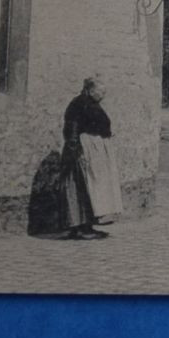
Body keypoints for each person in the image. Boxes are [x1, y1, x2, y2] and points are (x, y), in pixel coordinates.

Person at [60, 76, 123, 239]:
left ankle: (87, 225)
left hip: (92, 151)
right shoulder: (78, 104)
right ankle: (79, 227)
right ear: (89, 89)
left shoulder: (91, 104)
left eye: (104, 92)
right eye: (100, 91)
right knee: (82, 185)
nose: (103, 95)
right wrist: (75, 150)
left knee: (92, 188)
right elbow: (72, 128)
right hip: (82, 150)